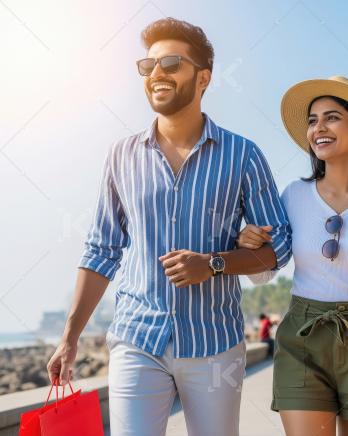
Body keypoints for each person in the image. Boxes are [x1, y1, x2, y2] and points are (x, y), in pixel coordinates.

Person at [46, 18, 291, 436]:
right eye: (148, 66)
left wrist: (214, 263)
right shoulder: (120, 156)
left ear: (204, 77)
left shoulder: (243, 154)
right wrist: (69, 338)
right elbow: (102, 250)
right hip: (137, 339)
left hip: (215, 344)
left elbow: (281, 244)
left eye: (172, 63)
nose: (157, 73)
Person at [237, 76, 348, 436]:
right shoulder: (293, 195)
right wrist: (250, 247)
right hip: (303, 335)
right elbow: (263, 276)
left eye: (332, 117)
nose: (319, 127)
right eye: (312, 120)